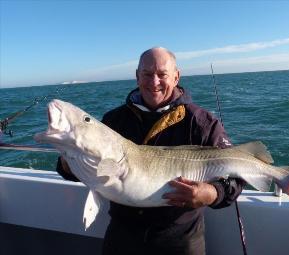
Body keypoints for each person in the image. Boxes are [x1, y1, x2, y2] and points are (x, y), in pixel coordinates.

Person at [56, 47, 245, 255]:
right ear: (137, 77)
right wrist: (69, 162)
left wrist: (211, 193)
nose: (154, 82)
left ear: (176, 77)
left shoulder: (201, 123)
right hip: (122, 237)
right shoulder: (113, 121)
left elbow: (237, 175)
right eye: (146, 74)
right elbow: (82, 167)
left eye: (162, 74)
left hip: (179, 241)